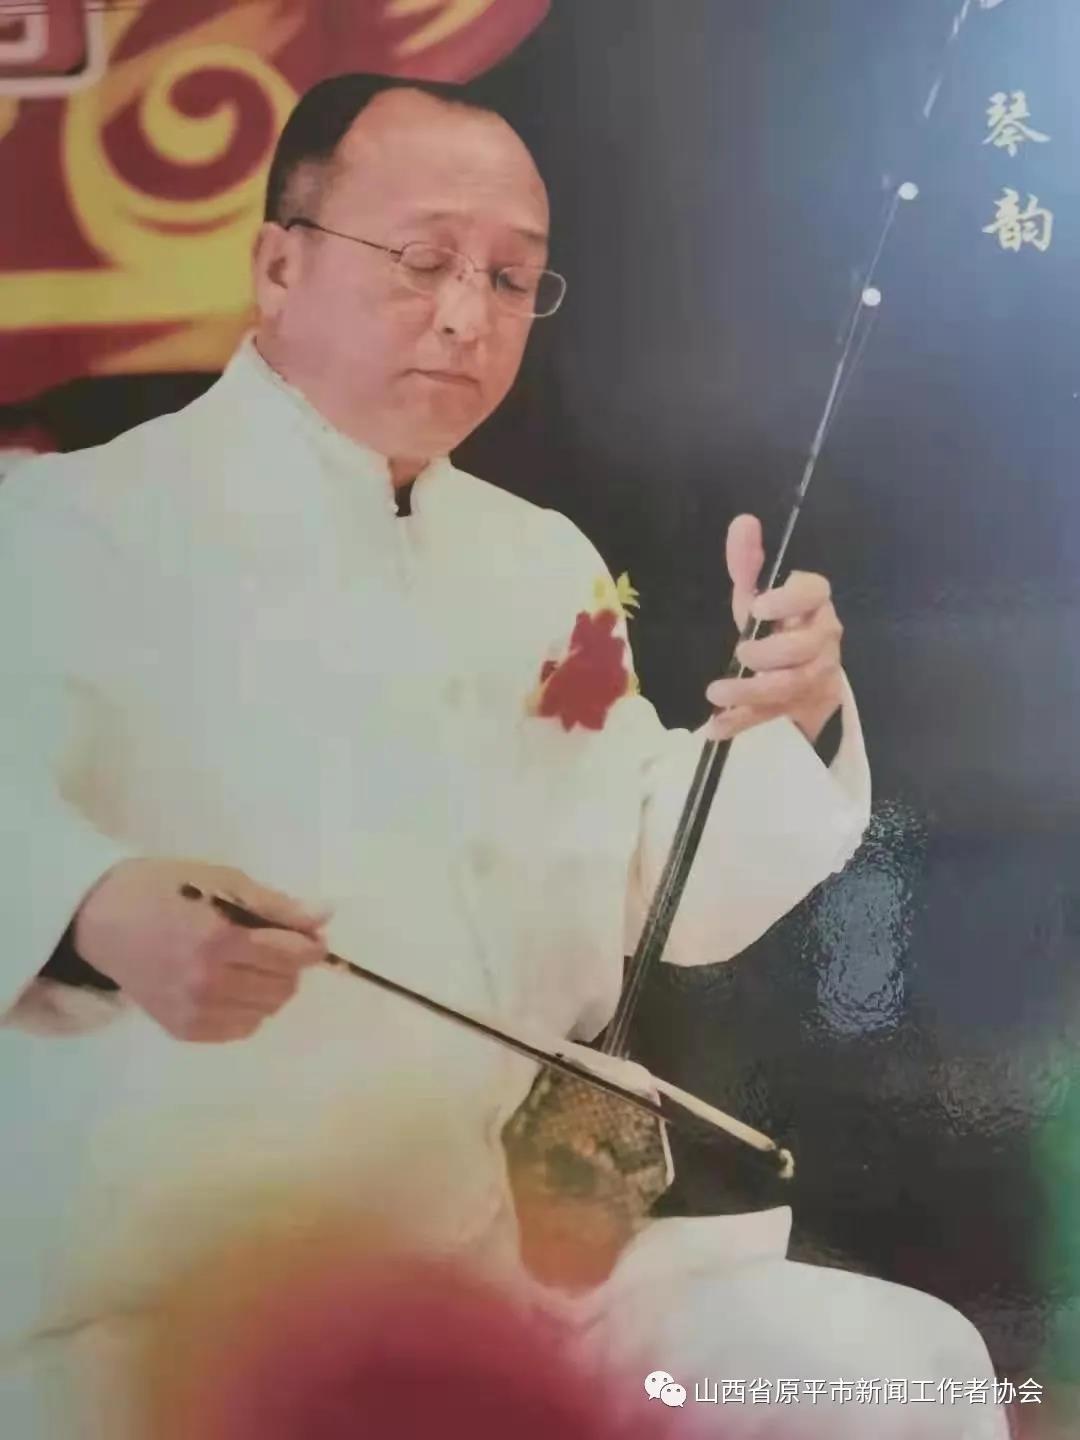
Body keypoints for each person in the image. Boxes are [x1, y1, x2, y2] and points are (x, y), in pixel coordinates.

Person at [0, 74, 1004, 1438]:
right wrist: (90, 911)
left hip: (497, 1275)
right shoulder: (64, 525)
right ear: (279, 266)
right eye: (422, 261)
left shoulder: (539, 561)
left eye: (512, 277)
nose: (468, 315)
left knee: (882, 1366)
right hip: (163, 1310)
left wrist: (787, 712)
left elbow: (663, 895)